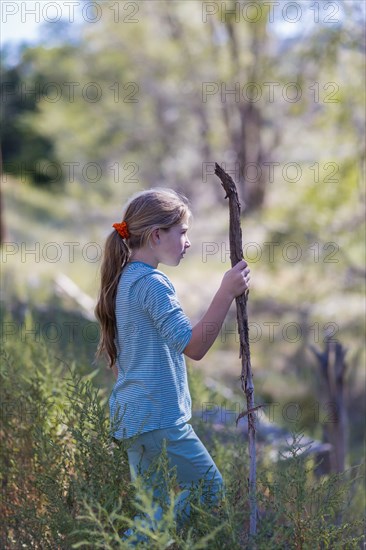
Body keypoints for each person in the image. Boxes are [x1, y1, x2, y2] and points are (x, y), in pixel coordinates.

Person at [95, 187, 250, 536]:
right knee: (210, 488)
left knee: (156, 517)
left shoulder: (124, 280)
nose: (187, 242)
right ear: (156, 235)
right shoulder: (151, 284)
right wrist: (226, 292)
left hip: (133, 418)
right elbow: (193, 346)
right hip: (158, 417)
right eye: (182, 233)